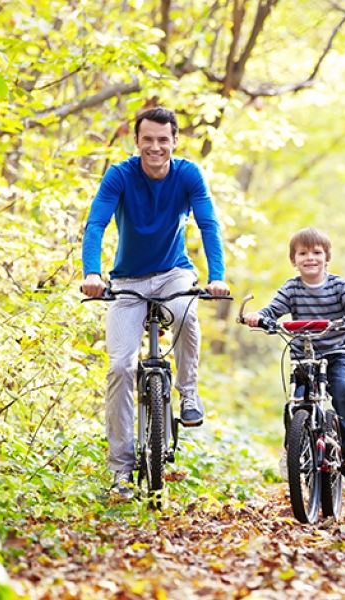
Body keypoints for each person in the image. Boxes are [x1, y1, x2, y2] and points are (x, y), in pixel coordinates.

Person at [80, 107, 230, 501]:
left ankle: (188, 390)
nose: (155, 147)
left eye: (163, 139)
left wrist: (216, 277)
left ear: (175, 141)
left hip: (172, 272)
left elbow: (208, 224)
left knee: (185, 312)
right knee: (119, 368)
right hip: (127, 280)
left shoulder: (188, 174)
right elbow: (96, 223)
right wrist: (92, 273)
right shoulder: (120, 175)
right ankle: (120, 473)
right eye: (148, 139)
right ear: (137, 141)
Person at [241, 228, 345, 478]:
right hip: (303, 356)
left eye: (316, 252)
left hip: (336, 353)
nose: (310, 257)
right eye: (302, 253)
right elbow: (272, 310)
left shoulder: (338, 285)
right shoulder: (291, 289)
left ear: (327, 258)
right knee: (295, 403)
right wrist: (258, 317)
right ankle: (292, 450)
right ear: (294, 260)